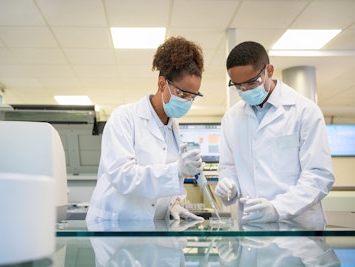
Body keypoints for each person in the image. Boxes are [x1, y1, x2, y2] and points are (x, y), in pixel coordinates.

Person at [86, 36, 205, 222]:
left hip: (154, 228)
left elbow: (164, 182)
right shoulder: (124, 118)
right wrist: (177, 170)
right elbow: (123, 176)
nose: (187, 101)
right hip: (116, 226)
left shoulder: (173, 129)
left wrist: (174, 204)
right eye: (182, 93)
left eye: (193, 96)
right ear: (162, 84)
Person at [215, 41, 335, 225]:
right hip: (252, 225)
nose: (245, 90)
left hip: (298, 227)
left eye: (251, 82)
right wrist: (228, 185)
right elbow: (228, 167)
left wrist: (278, 209)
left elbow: (318, 175)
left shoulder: (304, 111)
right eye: (238, 85)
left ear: (269, 70)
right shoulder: (231, 118)